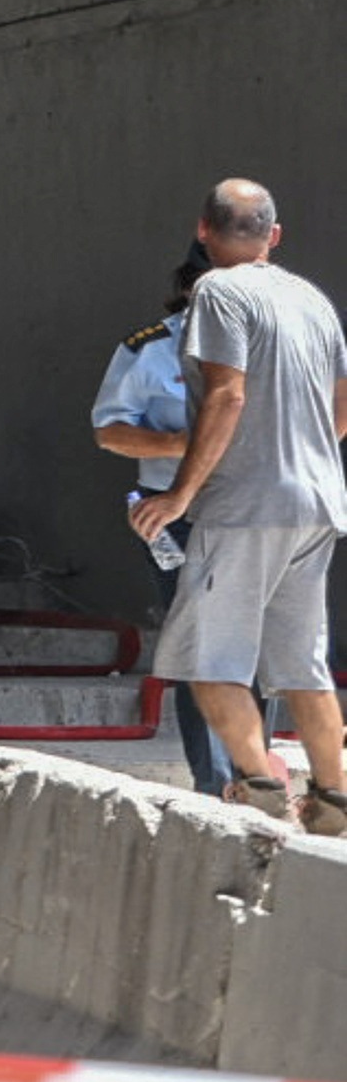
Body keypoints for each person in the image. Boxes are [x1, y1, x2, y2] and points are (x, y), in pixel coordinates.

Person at [128, 180, 347, 829]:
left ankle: (257, 787)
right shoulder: (311, 298)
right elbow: (341, 408)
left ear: (203, 231)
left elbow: (225, 396)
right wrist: (301, 454)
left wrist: (179, 494)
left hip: (246, 507)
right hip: (317, 503)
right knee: (302, 665)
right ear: (273, 236)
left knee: (207, 660)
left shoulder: (216, 292)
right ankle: (333, 802)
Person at [91, 249, 234, 788]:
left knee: (255, 650)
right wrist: (181, 443)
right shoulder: (150, 350)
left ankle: (252, 776)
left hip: (250, 515)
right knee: (203, 650)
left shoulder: (269, 342)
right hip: (179, 518)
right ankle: (216, 783)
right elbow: (110, 431)